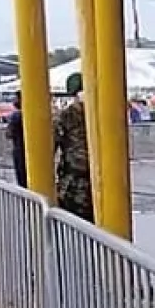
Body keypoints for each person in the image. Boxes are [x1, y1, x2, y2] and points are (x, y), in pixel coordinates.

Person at [54, 72, 93, 222]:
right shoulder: (103, 112)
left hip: (75, 181)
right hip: (94, 180)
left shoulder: (66, 115)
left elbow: (53, 144)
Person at [5, 94, 26, 187]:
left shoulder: (16, 116)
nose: (14, 100)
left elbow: (8, 134)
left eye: (16, 98)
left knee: (22, 181)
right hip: (32, 152)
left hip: (19, 151)